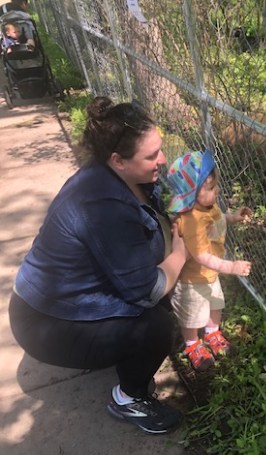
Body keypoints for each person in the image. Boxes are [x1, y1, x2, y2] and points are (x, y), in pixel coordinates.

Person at [8, 96, 189, 435]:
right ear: (118, 160)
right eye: (152, 156)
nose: (162, 160)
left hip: (54, 303)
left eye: (160, 149)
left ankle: (110, 347)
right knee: (155, 326)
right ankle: (128, 398)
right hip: (43, 323)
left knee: (157, 285)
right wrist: (181, 252)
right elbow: (147, 290)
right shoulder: (104, 206)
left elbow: (164, 201)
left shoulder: (113, 175)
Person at [166, 150, 253, 372]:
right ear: (192, 193)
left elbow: (217, 220)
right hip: (194, 279)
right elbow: (201, 256)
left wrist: (233, 217)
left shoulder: (207, 207)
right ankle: (192, 343)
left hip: (210, 274)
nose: (218, 190)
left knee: (215, 305)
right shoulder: (192, 221)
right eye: (211, 188)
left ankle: (213, 332)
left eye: (215, 186)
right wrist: (231, 267)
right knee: (192, 315)